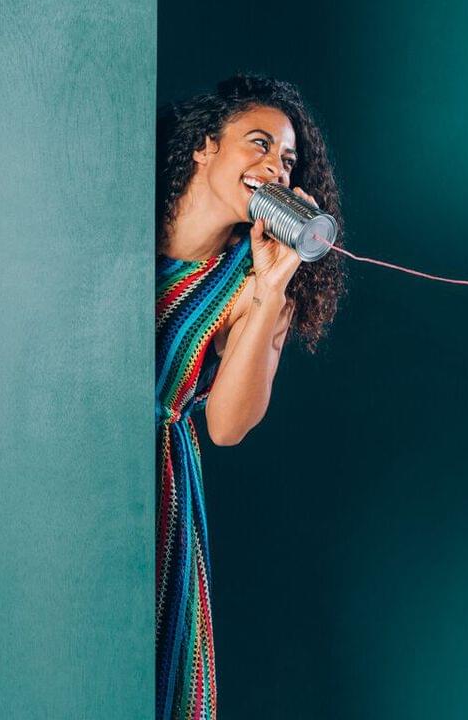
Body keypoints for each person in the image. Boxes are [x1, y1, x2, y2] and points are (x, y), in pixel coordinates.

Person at [154, 74, 346, 719]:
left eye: (287, 160)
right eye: (258, 144)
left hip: (157, 487)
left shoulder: (252, 287)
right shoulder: (116, 220)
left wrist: (269, 291)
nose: (273, 166)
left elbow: (229, 426)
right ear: (205, 147)